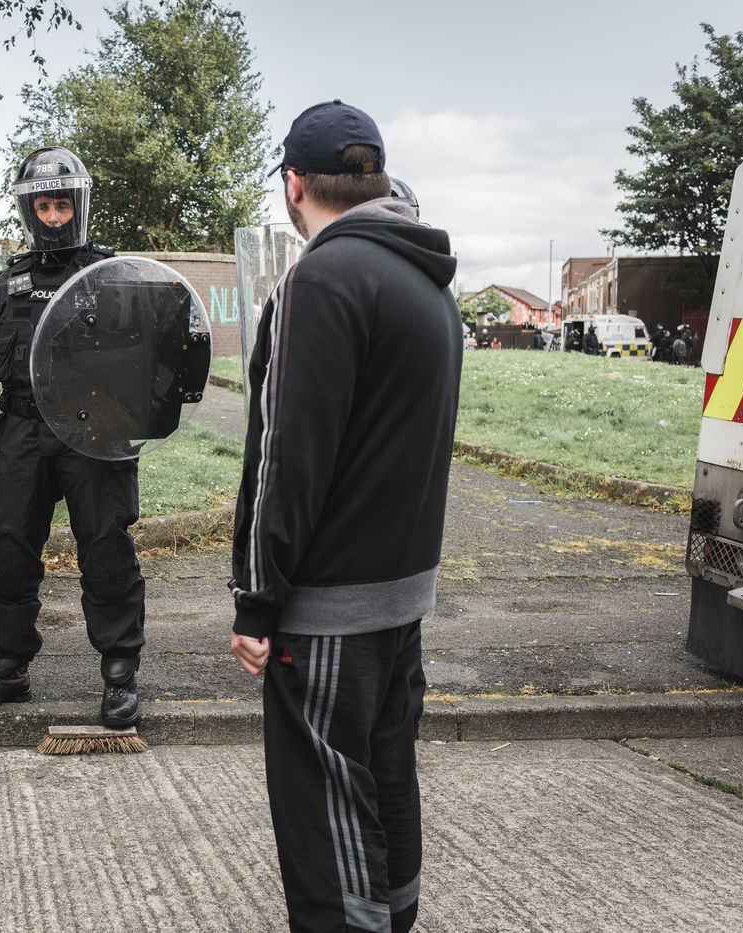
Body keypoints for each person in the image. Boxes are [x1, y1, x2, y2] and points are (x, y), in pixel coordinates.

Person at [228, 100, 461, 933]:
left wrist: (256, 598)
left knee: (325, 803)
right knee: (385, 773)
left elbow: (287, 457)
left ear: (294, 185)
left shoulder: (320, 280)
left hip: (327, 607)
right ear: (376, 177)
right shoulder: (428, 282)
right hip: (402, 596)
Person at [0, 146, 146, 729]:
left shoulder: (112, 277)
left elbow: (151, 357)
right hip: (22, 431)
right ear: (30, 211)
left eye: (63, 205)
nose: (54, 216)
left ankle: (119, 673)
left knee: (106, 549)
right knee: (9, 549)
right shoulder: (8, 284)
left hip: (96, 431)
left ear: (78, 207)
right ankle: (8, 667)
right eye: (44, 206)